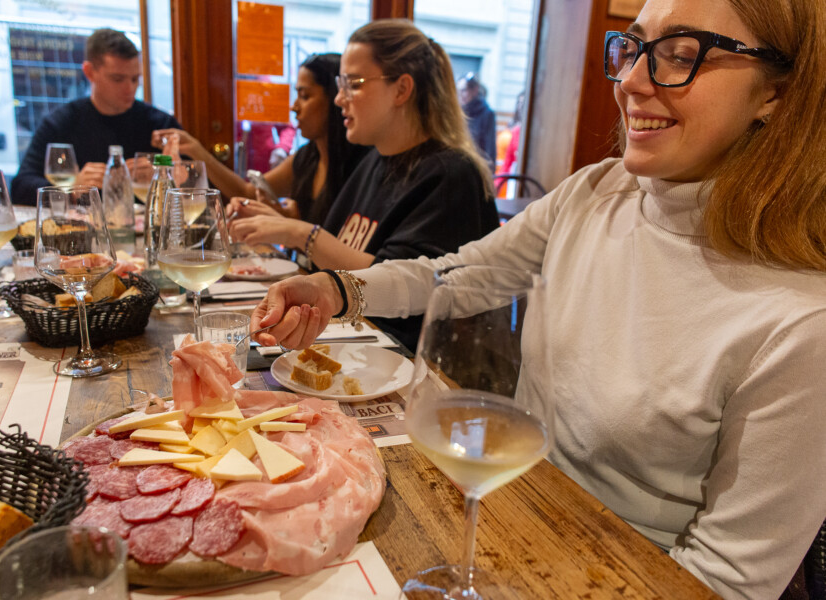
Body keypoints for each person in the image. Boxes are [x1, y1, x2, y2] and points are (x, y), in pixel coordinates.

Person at [247, 0, 826, 598]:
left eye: (681, 56)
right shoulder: (596, 191)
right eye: (632, 50)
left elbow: (728, 578)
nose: (629, 82)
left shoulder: (802, 320)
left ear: (776, 94)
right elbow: (457, 276)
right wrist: (335, 289)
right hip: (515, 518)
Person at [229, 21, 500, 351]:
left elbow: (396, 283)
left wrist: (298, 233)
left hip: (410, 366)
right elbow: (333, 263)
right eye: (340, 84)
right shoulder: (375, 158)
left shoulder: (451, 174)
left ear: (401, 90)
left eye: (352, 84)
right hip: (355, 346)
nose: (339, 99)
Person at [153, 53, 369, 224]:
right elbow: (249, 193)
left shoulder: (362, 166)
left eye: (304, 96)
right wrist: (196, 150)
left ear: (335, 99)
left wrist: (288, 222)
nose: (294, 107)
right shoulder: (307, 156)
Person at [10, 28, 181, 205]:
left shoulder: (160, 124)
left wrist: (167, 173)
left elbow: (198, 181)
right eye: (117, 79)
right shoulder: (60, 123)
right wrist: (70, 190)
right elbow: (20, 187)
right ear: (89, 72)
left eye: (135, 79)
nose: (130, 88)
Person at [458, 72, 496, 168]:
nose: (460, 95)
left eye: (464, 90)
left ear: (475, 90)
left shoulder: (486, 114)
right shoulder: (458, 112)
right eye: (458, 91)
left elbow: (489, 149)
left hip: (476, 168)